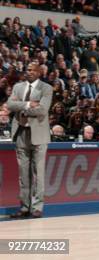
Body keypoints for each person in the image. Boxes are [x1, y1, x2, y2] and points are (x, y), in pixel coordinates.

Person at [7, 62, 52, 218]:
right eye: (27, 70)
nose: (29, 72)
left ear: (39, 72)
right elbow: (10, 104)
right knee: (23, 174)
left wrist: (24, 111)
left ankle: (37, 207)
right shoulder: (18, 87)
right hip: (21, 133)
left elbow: (42, 109)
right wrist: (27, 104)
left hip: (39, 135)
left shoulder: (46, 88)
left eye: (32, 70)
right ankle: (25, 207)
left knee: (38, 173)